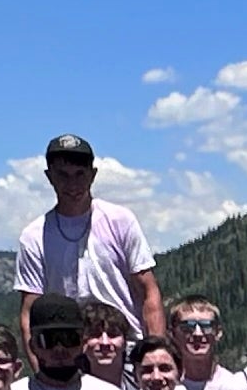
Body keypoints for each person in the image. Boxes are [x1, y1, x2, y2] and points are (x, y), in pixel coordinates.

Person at [14, 130, 160, 345]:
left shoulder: (120, 220)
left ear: (93, 175)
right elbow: (30, 311)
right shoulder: (34, 236)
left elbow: (148, 290)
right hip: (69, 351)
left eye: (80, 174)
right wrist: (40, 369)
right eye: (63, 175)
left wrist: (155, 351)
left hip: (126, 345)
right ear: (49, 176)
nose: (72, 184)